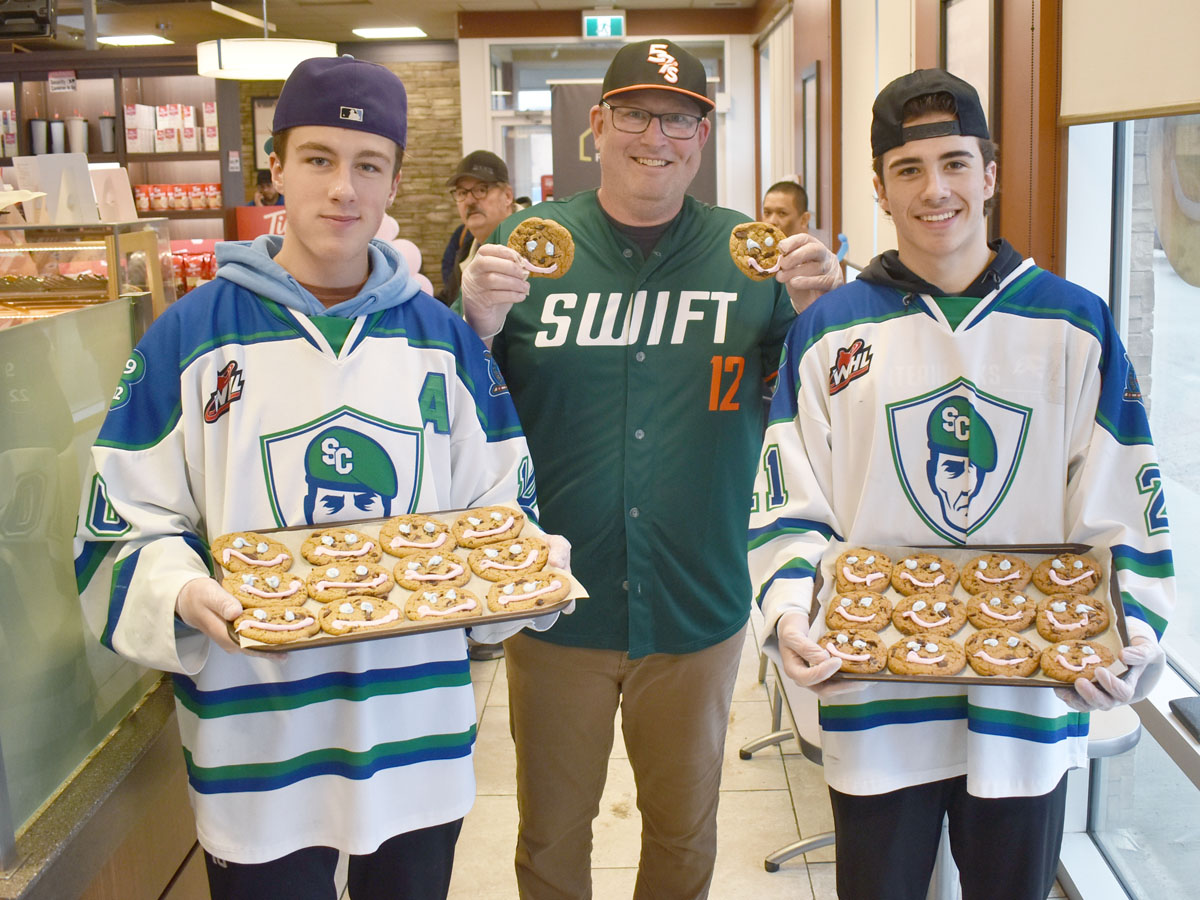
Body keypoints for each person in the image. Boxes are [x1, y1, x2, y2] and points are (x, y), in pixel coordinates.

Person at [73, 56, 563, 900]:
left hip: (414, 728)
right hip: (257, 733)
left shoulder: (440, 339)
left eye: (368, 164)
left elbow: (499, 497)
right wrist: (182, 592)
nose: (343, 188)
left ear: (395, 181)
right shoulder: (188, 338)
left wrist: (524, 567)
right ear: (276, 168)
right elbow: (119, 520)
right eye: (318, 159)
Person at [749, 69, 1175, 900]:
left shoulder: (1071, 321)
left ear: (990, 174)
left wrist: (1135, 634)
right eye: (908, 169)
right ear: (879, 187)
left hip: (1027, 701)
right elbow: (790, 496)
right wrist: (788, 612)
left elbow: (1123, 494)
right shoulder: (828, 330)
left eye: (953, 162)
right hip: (873, 695)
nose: (934, 188)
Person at [460, 39, 841, 899]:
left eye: (678, 118)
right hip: (558, 607)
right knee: (550, 836)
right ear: (598, 126)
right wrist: (472, 323)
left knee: (683, 834)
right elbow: (460, 411)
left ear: (703, 135)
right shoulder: (531, 245)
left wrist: (831, 319)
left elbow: (823, 419)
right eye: (634, 112)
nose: (655, 136)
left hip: (696, 605)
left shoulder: (757, 259)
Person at [438, 150, 523, 305]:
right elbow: (448, 302)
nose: (469, 201)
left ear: (508, 196)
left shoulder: (538, 243)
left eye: (481, 190)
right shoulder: (467, 250)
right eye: (462, 192)